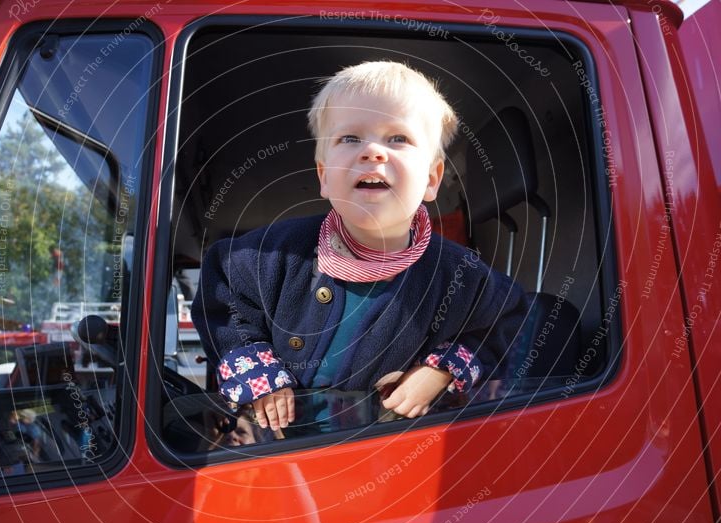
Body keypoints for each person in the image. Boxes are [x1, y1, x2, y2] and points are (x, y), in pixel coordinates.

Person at [192, 61, 527, 432]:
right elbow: (223, 297)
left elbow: (503, 321)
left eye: (397, 138)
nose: (373, 152)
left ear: (431, 180)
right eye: (350, 138)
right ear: (323, 176)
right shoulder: (271, 255)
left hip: (390, 456)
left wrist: (441, 369)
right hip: (281, 452)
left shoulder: (460, 275)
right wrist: (260, 372)